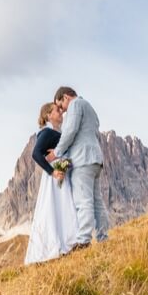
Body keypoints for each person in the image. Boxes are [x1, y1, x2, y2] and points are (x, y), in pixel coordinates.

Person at [46, 86, 109, 250]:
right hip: (95, 159)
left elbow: (70, 131)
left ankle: (83, 241)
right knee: (97, 201)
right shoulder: (89, 107)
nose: (62, 110)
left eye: (60, 105)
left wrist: (57, 153)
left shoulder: (75, 105)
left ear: (66, 97)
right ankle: (103, 237)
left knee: (83, 201)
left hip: (82, 159)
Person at [24, 102, 78, 264]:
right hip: (54, 177)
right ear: (48, 115)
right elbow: (36, 154)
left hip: (59, 174)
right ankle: (60, 245)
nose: (61, 112)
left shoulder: (54, 132)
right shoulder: (46, 132)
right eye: (57, 110)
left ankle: (67, 243)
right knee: (57, 207)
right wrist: (52, 171)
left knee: (62, 207)